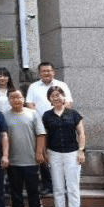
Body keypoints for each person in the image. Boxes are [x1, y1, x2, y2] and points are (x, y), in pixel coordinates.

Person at [42, 86, 86, 207]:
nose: (56, 98)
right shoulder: (46, 116)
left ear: (63, 96)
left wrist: (81, 151)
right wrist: (44, 152)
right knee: (58, 187)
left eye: (58, 94)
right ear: (49, 99)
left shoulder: (73, 114)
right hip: (54, 153)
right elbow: (44, 135)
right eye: (53, 96)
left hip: (72, 154)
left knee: (73, 187)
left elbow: (81, 133)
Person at [26, 62, 73, 195]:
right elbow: (30, 104)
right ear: (39, 73)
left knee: (60, 154)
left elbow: (69, 103)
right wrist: (38, 121)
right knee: (43, 154)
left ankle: (63, 184)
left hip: (59, 125)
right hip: (41, 126)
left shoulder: (62, 85)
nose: (46, 73)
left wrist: (57, 115)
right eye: (43, 71)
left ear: (54, 72)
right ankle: (47, 185)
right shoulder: (33, 87)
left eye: (49, 71)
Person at [4, 89, 47, 207]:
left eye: (18, 97)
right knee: (15, 193)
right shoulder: (5, 116)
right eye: (12, 97)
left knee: (33, 192)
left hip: (31, 161)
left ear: (23, 99)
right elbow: (3, 137)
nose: (16, 100)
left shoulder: (33, 113)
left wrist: (39, 153)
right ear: (9, 100)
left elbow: (41, 134)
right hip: (13, 162)